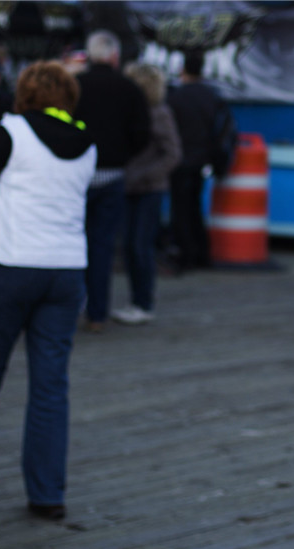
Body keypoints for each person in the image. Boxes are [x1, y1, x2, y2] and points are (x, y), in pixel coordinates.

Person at [0, 61, 97, 520]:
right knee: (50, 386)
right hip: (66, 270)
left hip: (9, 265)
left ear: (25, 94)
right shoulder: (87, 142)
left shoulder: (12, 131)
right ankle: (47, 493)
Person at [74, 30, 151, 333]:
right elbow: (142, 134)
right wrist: (122, 155)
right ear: (115, 57)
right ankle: (97, 313)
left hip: (76, 175)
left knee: (72, 243)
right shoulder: (129, 88)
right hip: (112, 174)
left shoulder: (76, 85)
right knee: (102, 246)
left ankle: (70, 306)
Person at [111, 63, 182, 326]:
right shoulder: (130, 112)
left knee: (140, 245)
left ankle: (144, 302)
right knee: (130, 245)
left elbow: (173, 153)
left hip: (149, 189)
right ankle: (137, 300)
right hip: (131, 186)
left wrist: (147, 175)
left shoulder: (159, 114)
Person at [166, 50, 237, 272]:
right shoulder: (211, 96)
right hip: (201, 160)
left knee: (180, 209)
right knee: (195, 207)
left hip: (179, 161)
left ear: (183, 69)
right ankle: (201, 253)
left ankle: (185, 254)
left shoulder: (175, 97)